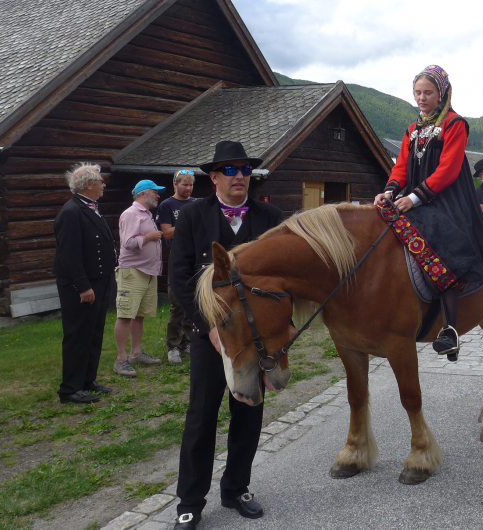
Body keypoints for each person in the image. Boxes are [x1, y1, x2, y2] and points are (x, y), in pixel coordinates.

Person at [169, 141, 283, 530]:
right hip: (209, 334)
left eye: (245, 169)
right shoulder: (192, 215)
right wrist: (209, 328)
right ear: (214, 177)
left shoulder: (270, 216)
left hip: (254, 337)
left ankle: (236, 488)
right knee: (201, 416)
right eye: (230, 170)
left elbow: (280, 279)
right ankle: (190, 502)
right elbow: (180, 277)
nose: (239, 176)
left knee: (249, 412)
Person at [373, 65, 483, 361]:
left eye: (428, 93)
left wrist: (415, 198)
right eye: (417, 92)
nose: (421, 98)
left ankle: (450, 329)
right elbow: (401, 167)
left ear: (441, 93)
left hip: (448, 198)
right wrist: (390, 191)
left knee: (444, 246)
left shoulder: (455, 124)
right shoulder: (412, 129)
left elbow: (449, 169)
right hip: (414, 196)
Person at [53, 163, 117, 404]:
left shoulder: (89, 207)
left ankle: (87, 380)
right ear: (88, 184)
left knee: (93, 333)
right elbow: (68, 255)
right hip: (81, 285)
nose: (104, 184)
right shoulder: (71, 212)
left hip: (99, 280)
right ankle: (70, 388)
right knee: (78, 335)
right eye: (100, 181)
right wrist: (83, 286)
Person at [112, 180, 165, 378]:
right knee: (126, 315)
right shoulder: (131, 214)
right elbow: (128, 243)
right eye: (155, 192)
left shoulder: (146, 214)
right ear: (143, 194)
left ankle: (135, 353)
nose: (158, 195)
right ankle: (121, 359)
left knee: (139, 315)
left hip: (148, 272)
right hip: (132, 271)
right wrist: (149, 237)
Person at [156, 169, 197, 364]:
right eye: (184, 185)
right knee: (177, 302)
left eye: (190, 185)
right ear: (175, 184)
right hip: (177, 255)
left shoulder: (196, 203)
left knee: (193, 301)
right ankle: (173, 345)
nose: (188, 188)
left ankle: (187, 342)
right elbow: (167, 233)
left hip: (195, 255)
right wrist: (187, 220)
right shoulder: (167, 205)